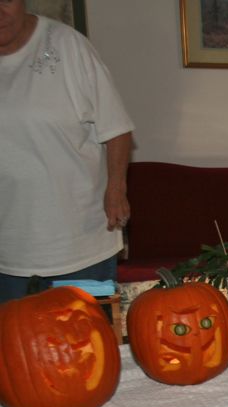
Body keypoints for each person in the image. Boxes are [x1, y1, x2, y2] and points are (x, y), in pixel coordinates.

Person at [0, 0, 134, 304]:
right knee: (14, 347)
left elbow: (116, 127)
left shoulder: (67, 46)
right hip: (8, 250)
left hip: (78, 242)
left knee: (84, 344)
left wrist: (116, 188)